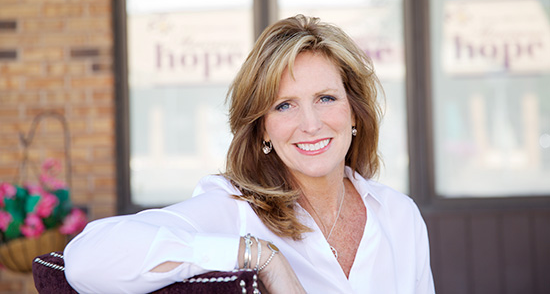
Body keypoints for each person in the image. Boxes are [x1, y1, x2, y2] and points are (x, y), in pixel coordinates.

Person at [64, 15, 435, 293]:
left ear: (354, 113)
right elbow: (85, 259)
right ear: (262, 129)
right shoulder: (236, 210)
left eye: (326, 98)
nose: (310, 124)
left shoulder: (400, 216)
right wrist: (260, 256)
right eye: (285, 106)